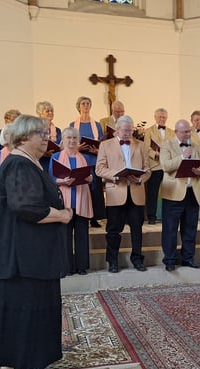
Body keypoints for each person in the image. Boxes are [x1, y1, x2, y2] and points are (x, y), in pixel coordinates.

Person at [0, 114, 73, 369]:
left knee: (31, 306)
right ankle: (27, 366)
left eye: (46, 133)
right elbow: (26, 207)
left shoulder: (27, 162)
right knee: (27, 307)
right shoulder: (19, 164)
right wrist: (61, 215)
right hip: (21, 258)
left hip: (29, 253)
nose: (47, 138)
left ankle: (27, 359)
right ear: (22, 137)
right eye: (40, 134)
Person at [95, 115, 151, 273]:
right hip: (116, 192)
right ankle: (112, 261)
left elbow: (148, 169)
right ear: (117, 129)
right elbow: (99, 169)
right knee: (113, 230)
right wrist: (116, 175)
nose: (128, 133)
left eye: (130, 130)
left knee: (137, 229)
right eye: (125, 130)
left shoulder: (140, 145)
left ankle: (137, 258)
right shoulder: (106, 145)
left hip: (136, 191)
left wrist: (140, 178)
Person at [160, 119, 200, 271]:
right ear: (176, 132)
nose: (188, 134)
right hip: (173, 193)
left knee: (190, 228)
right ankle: (170, 259)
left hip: (192, 192)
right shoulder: (167, 145)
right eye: (185, 132)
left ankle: (188, 258)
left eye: (189, 131)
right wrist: (182, 157)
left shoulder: (196, 146)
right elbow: (166, 166)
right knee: (170, 228)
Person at [51, 127, 93, 275]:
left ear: (78, 140)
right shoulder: (56, 156)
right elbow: (50, 179)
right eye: (68, 138)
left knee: (82, 234)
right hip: (65, 201)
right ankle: (67, 266)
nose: (72, 141)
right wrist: (62, 181)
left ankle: (82, 266)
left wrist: (90, 178)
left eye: (74, 138)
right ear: (63, 139)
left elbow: (90, 176)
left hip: (81, 198)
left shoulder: (85, 158)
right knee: (65, 235)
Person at [71, 96, 107, 228]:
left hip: (94, 160)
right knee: (81, 190)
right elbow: (69, 143)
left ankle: (94, 218)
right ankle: (81, 216)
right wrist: (78, 148)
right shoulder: (72, 125)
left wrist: (98, 150)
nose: (85, 106)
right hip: (79, 160)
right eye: (83, 103)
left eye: (88, 103)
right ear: (78, 106)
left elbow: (102, 143)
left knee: (95, 190)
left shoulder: (96, 125)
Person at [142, 108, 173, 224]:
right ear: (155, 118)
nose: (162, 119)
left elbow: (174, 147)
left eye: (164, 117)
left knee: (168, 191)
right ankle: (151, 216)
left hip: (168, 166)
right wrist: (155, 154)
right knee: (152, 192)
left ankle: (168, 215)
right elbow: (146, 147)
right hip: (155, 165)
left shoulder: (172, 131)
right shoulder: (149, 131)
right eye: (160, 117)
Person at [36, 101, 60, 173]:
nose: (50, 113)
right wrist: (44, 153)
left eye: (51, 111)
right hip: (41, 161)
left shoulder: (57, 130)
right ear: (40, 114)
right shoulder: (35, 129)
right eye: (47, 111)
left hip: (54, 161)